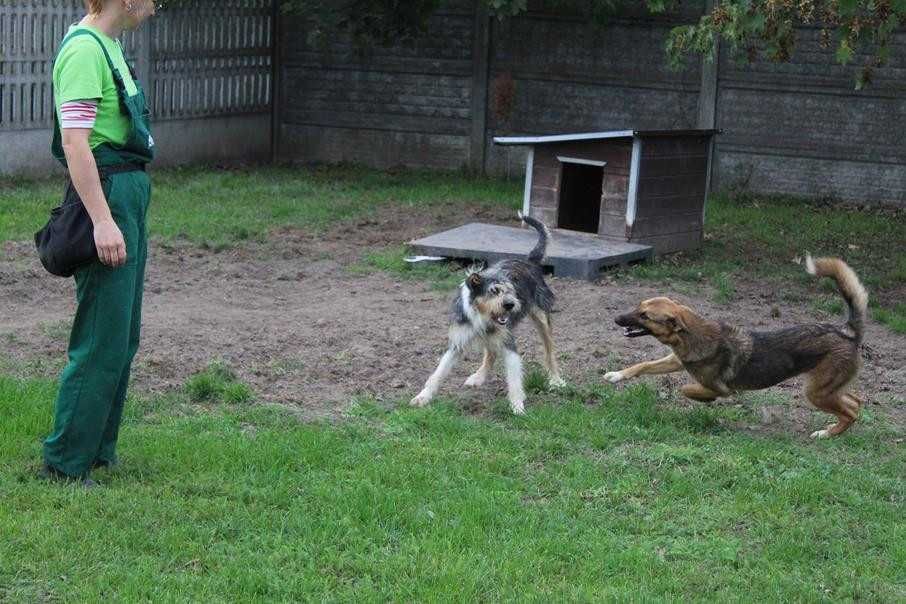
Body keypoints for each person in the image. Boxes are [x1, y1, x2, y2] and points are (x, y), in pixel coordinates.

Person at [41, 0, 157, 486]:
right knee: (99, 336)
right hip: (106, 197)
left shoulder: (110, 46)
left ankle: (98, 450)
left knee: (121, 334)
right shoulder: (85, 52)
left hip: (127, 193)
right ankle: (66, 460)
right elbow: (75, 144)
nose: (156, 5)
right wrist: (104, 222)